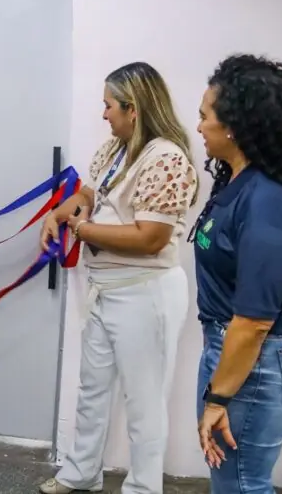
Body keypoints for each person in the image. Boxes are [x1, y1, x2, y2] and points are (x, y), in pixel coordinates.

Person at [38, 62, 199, 494]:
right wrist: (63, 210)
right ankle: (81, 474)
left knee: (145, 403)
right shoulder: (117, 148)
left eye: (109, 105)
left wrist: (82, 230)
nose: (103, 114)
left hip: (144, 292)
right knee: (92, 390)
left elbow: (150, 238)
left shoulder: (165, 158)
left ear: (134, 108)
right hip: (105, 290)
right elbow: (92, 192)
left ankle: (143, 488)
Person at [191, 54, 282, 492]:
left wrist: (218, 398)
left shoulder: (267, 200)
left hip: (257, 361)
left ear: (234, 126)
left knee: (242, 484)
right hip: (239, 354)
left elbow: (254, 321)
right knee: (236, 481)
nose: (199, 127)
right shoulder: (239, 182)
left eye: (204, 116)